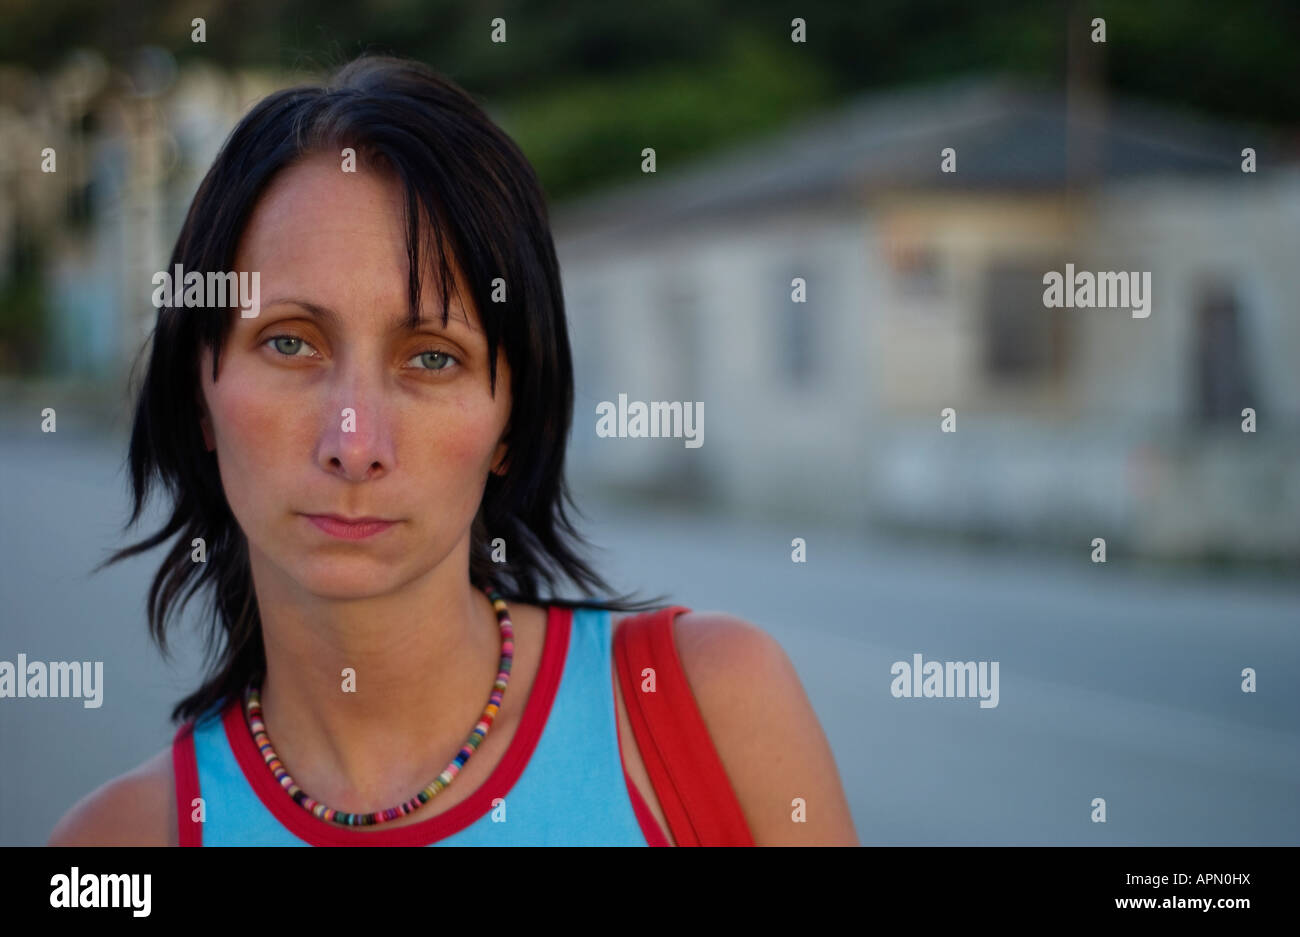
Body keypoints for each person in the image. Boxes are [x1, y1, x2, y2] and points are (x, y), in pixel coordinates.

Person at [46, 54, 857, 846]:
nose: (354, 443)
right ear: (199, 396)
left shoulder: (705, 712)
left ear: (512, 422)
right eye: (291, 344)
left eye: (433, 357)